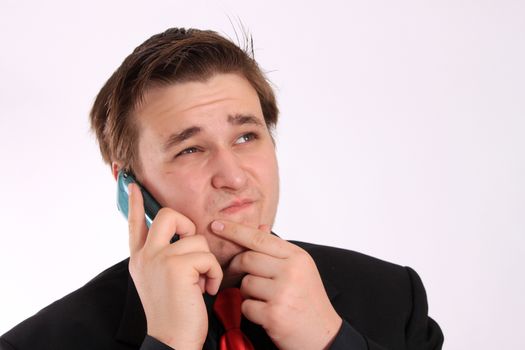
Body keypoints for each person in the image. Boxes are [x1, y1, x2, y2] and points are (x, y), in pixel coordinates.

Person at [0, 27, 443, 350]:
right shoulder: (38, 343)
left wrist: (332, 341)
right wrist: (167, 345)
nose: (233, 176)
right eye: (190, 149)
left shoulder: (392, 297)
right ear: (128, 184)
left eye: (246, 137)